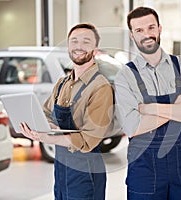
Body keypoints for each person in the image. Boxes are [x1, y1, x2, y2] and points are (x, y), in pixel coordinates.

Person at [114, 7, 181, 200]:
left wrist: (149, 109)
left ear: (159, 29)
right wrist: (179, 108)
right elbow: (133, 126)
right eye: (139, 30)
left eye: (151, 27)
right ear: (132, 35)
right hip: (143, 168)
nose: (147, 34)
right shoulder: (125, 75)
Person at [20, 23, 114, 200]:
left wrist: (47, 137)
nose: (78, 46)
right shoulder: (62, 83)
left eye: (86, 41)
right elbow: (46, 113)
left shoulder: (100, 87)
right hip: (62, 169)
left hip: (86, 172)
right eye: (74, 41)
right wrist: (40, 125)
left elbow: (88, 140)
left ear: (95, 48)